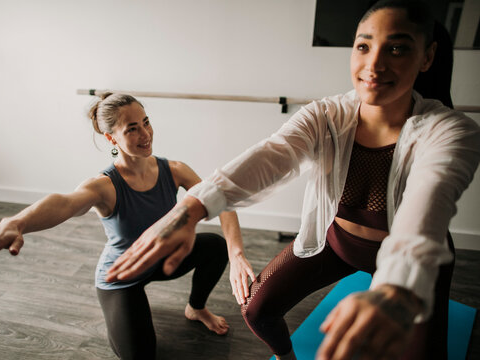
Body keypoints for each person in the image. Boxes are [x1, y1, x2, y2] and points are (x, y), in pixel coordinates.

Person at [102, 1, 480, 359]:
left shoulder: (450, 131)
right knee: (256, 309)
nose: (374, 64)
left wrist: (398, 283)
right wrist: (191, 208)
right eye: (364, 46)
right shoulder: (326, 115)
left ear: (427, 56)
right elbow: (271, 155)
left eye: (397, 49)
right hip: (336, 243)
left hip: (412, 259)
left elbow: (430, 200)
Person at [0, 93, 256, 360]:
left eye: (146, 122)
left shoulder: (173, 170)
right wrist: (18, 221)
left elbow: (221, 200)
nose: (145, 134)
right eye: (132, 128)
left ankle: (196, 308)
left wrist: (237, 253)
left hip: (162, 259)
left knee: (215, 246)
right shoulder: (105, 185)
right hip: (122, 276)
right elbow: (65, 202)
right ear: (111, 138)